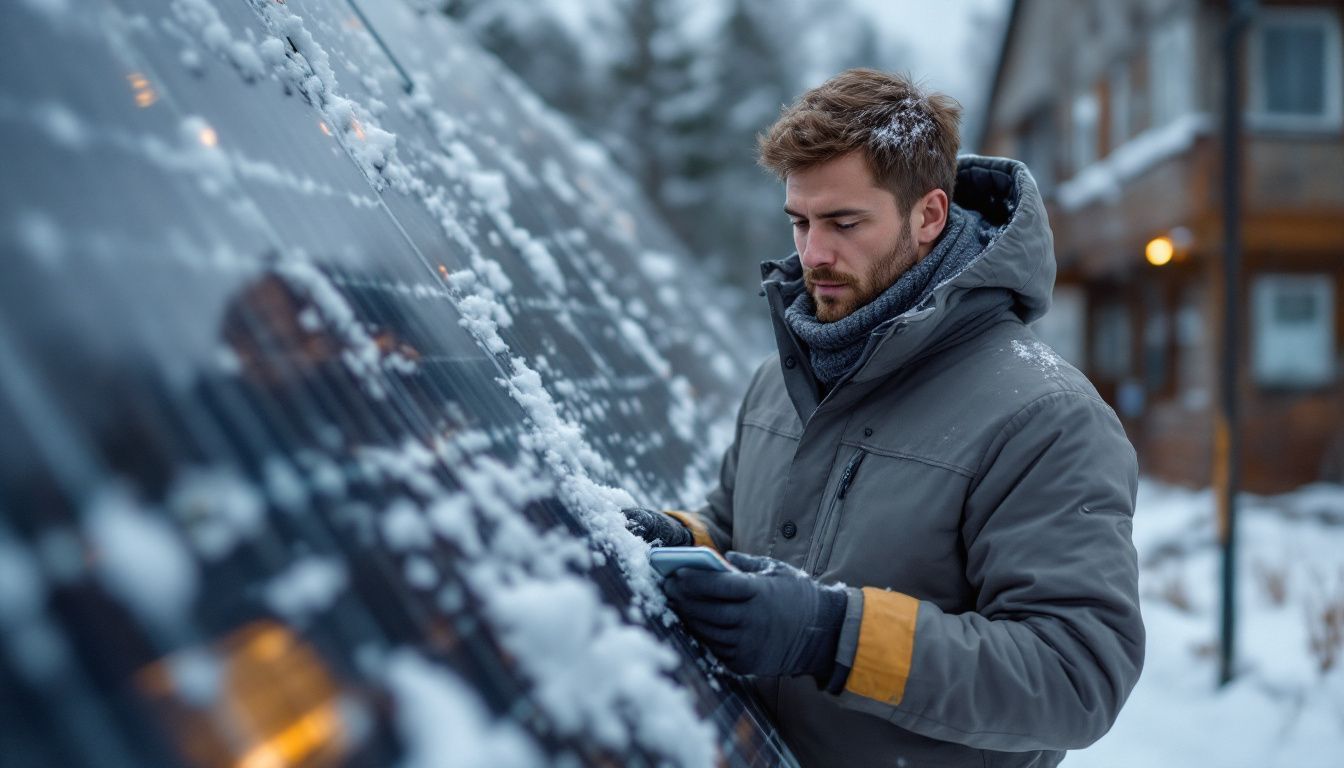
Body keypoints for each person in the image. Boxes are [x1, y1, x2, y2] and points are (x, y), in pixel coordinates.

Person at [623, 69, 1144, 767]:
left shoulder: (1047, 418)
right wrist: (676, 539)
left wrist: (832, 636)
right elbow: (738, 526)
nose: (813, 255)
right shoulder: (781, 379)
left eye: (843, 223)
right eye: (801, 222)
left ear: (928, 215)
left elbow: (1075, 674)